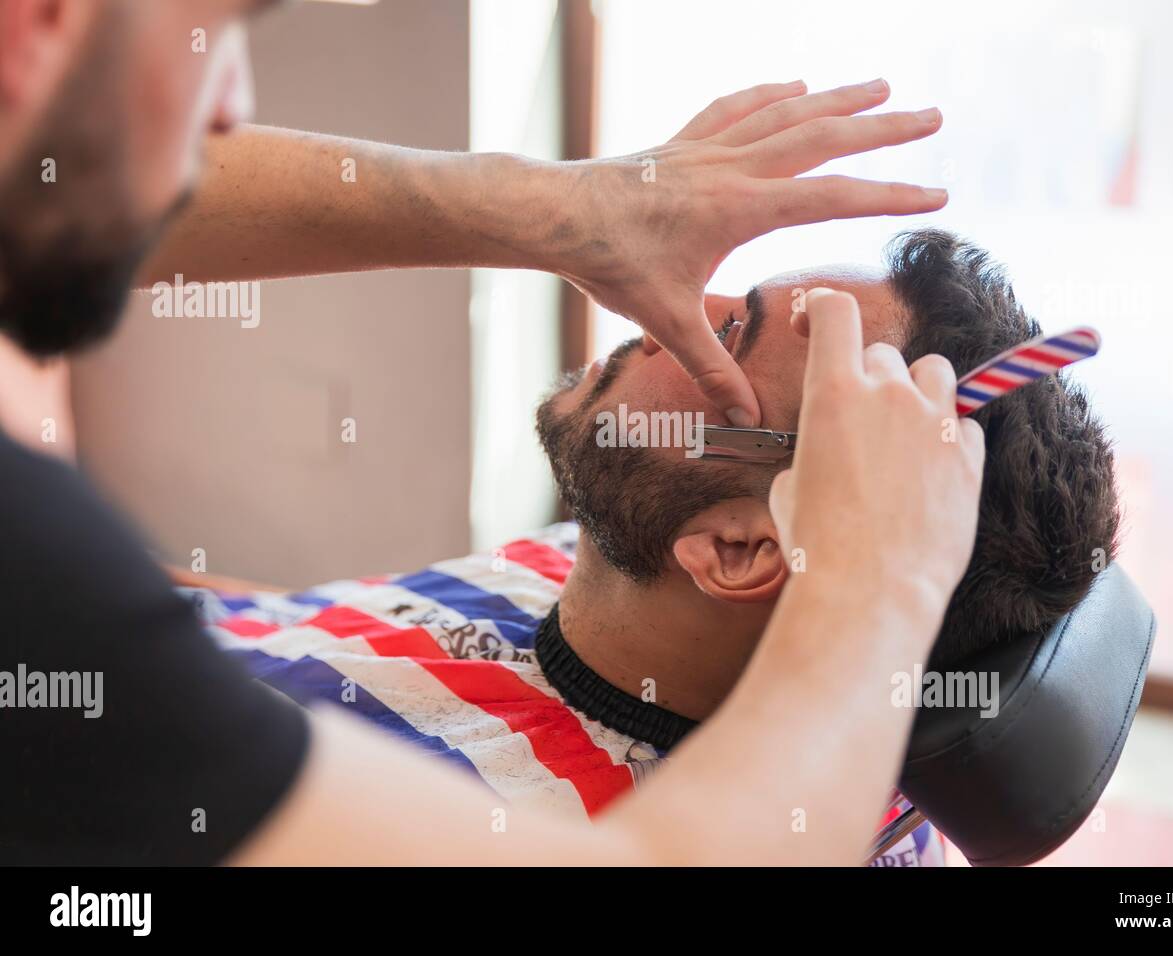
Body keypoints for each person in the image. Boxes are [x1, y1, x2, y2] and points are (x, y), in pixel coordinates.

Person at [0, 0, 982, 865]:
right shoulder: (46, 582)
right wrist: (877, 579)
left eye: (733, 329)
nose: (229, 114)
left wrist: (563, 207)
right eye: (211, 29)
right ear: (33, 23)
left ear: (739, 543)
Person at [191, 230, 1116, 867]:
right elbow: (291, 633)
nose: (670, 305)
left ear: (744, 549)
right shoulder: (623, 556)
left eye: (729, 333)